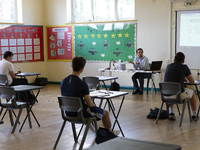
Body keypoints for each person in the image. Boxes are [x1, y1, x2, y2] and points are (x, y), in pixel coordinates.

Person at [60, 56, 118, 134]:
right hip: (80, 114)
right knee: (105, 113)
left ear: (71, 66)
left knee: (88, 112)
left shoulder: (63, 81)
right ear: (82, 68)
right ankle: (110, 134)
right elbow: (90, 104)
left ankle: (97, 133)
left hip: (67, 113)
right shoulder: (82, 84)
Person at [164, 52, 197, 120]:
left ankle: (171, 113)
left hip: (165, 95)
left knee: (171, 90)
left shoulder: (168, 66)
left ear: (174, 60)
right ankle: (194, 114)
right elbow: (192, 82)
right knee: (192, 92)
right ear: (183, 61)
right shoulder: (184, 67)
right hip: (178, 96)